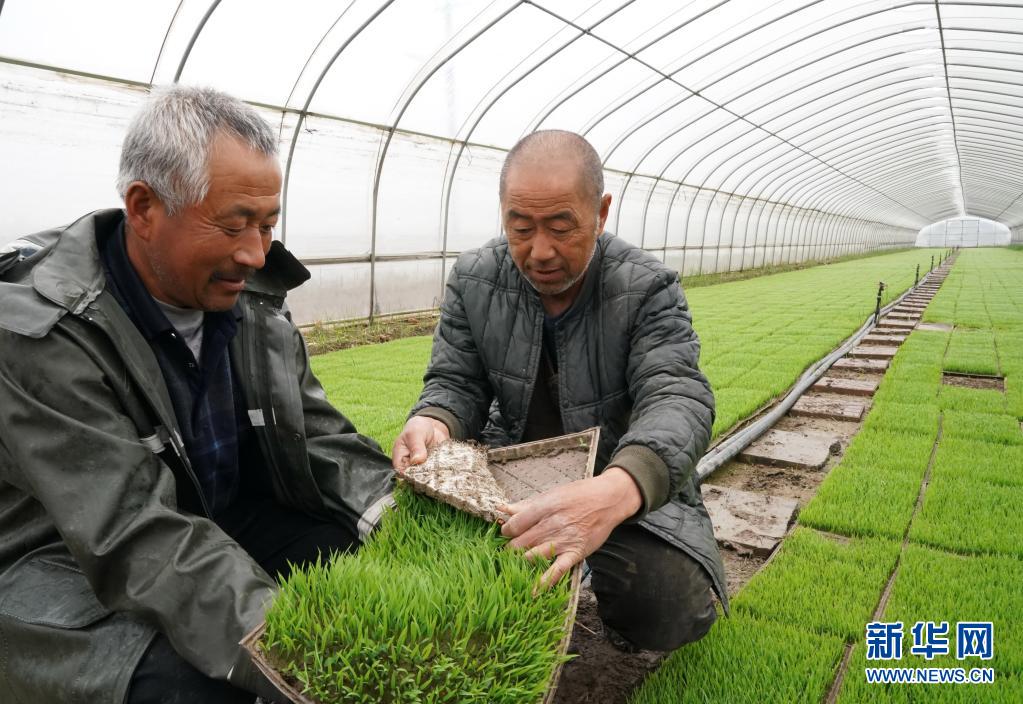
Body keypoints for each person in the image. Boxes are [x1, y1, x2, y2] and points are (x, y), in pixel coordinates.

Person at [0, 86, 394, 704]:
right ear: (144, 207)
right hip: (62, 564)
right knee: (212, 685)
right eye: (234, 224)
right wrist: (289, 647)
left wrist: (391, 509)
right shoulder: (43, 329)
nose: (255, 252)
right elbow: (131, 529)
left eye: (268, 225)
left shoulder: (250, 296)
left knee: (358, 562)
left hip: (212, 514)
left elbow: (313, 429)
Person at [393, 130, 727, 652]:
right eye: (520, 227)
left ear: (602, 212)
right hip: (515, 471)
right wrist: (434, 418)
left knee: (666, 610)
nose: (540, 251)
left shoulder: (647, 288)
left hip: (613, 473)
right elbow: (456, 382)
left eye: (561, 227)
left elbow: (677, 395)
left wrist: (617, 490)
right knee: (446, 582)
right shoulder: (474, 277)